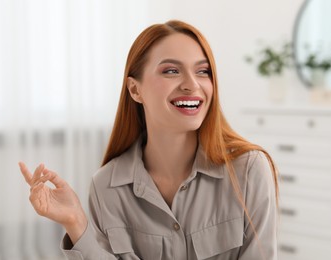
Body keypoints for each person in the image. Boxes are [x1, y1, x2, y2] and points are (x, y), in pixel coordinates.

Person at [19, 20, 279, 260]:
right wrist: (75, 221)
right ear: (135, 89)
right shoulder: (105, 186)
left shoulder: (249, 171)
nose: (192, 84)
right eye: (171, 71)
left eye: (202, 71)